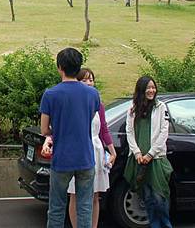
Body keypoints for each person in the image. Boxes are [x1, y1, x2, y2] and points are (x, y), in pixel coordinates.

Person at [40, 48, 101, 228]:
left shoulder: (50, 94)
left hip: (62, 158)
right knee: (85, 207)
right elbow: (88, 119)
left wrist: (57, 129)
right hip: (86, 157)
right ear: (79, 66)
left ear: (60, 67)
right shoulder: (92, 94)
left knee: (57, 207)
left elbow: (44, 129)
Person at [67, 68, 117, 228]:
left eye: (91, 79)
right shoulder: (72, 103)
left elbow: (104, 129)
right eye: (84, 80)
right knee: (75, 195)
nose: (89, 83)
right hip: (77, 150)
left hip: (96, 149)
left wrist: (112, 150)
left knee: (95, 195)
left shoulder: (99, 104)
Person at [123, 76, 173, 228]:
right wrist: (138, 153)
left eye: (153, 87)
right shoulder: (132, 109)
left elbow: (164, 132)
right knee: (147, 197)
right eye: (148, 88)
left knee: (160, 197)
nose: (151, 90)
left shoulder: (161, 107)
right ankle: (154, 225)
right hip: (139, 160)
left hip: (156, 158)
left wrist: (150, 154)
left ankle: (165, 224)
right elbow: (129, 132)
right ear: (141, 90)